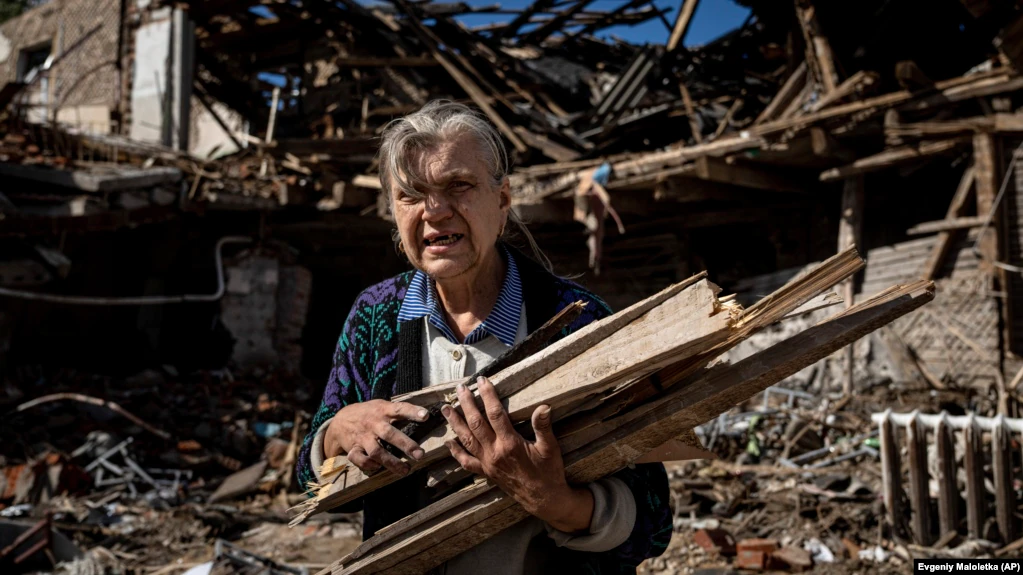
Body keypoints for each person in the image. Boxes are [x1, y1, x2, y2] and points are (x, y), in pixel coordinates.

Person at [295, 100, 671, 573]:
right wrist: (336, 433)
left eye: (459, 186)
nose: (435, 212)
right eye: (411, 194)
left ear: (503, 199)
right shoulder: (374, 317)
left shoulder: (579, 322)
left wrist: (553, 501)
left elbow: (654, 522)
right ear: (393, 212)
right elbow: (310, 485)